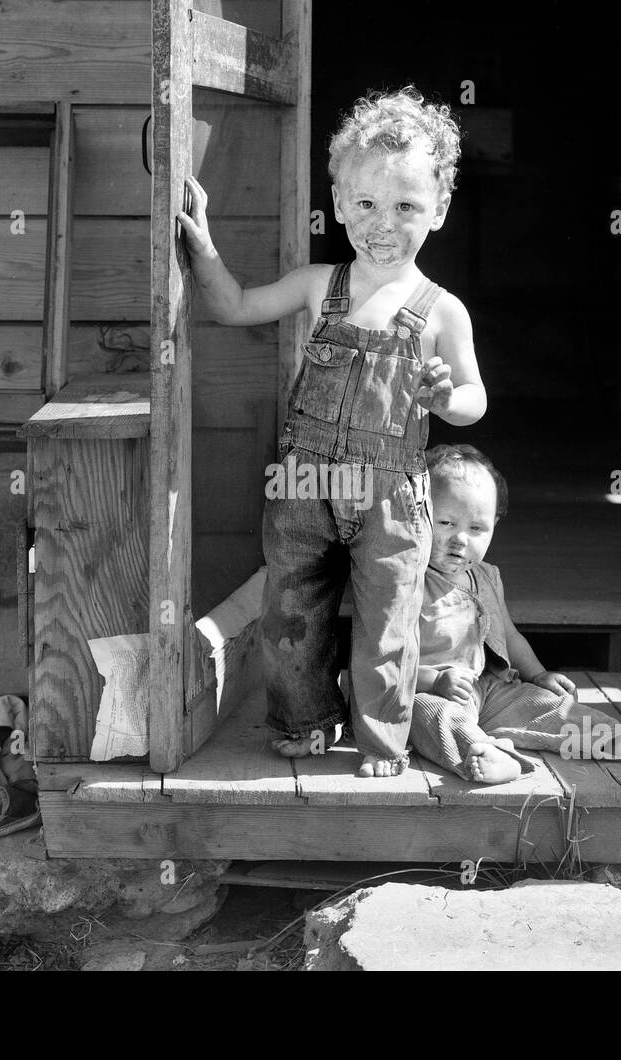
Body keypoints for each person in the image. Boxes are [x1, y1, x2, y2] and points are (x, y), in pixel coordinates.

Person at [177, 87, 486, 778]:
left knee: (388, 623)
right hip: (306, 484)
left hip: (392, 494)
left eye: (406, 206)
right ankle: (306, 721)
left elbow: (474, 399)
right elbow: (232, 307)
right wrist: (201, 242)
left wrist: (448, 394)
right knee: (293, 611)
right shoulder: (320, 285)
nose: (384, 222)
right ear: (340, 203)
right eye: (367, 204)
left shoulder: (443, 311)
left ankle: (383, 739)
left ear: (437, 211)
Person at [411, 444, 621, 784]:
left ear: (494, 524)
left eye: (476, 529)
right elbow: (389, 660)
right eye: (446, 523)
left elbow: (508, 634)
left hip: (492, 687)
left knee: (546, 705)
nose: (460, 540)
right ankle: (487, 753)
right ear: (419, 514)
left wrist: (538, 676)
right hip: (431, 689)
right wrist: (434, 680)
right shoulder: (409, 581)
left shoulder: (487, 577)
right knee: (433, 718)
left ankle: (615, 737)